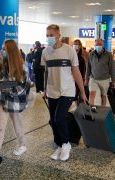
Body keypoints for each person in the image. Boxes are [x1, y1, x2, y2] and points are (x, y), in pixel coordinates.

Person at [42, 24, 87, 161]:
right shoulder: (45, 52)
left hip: (67, 90)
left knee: (59, 118)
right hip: (51, 90)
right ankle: (60, 145)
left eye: (52, 35)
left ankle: (66, 144)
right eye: (47, 35)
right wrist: (44, 89)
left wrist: (83, 92)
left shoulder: (69, 50)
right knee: (53, 120)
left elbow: (76, 72)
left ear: (59, 35)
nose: (49, 37)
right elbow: (46, 72)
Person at [0, 39, 30, 156]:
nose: (2, 51)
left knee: (17, 123)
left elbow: (23, 86)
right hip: (2, 100)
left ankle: (22, 145)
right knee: (0, 127)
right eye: (2, 49)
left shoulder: (21, 66)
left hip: (15, 101)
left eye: (5, 49)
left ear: (11, 50)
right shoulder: (1, 63)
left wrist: (5, 87)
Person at [85, 39, 115, 106]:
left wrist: (113, 81)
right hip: (93, 78)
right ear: (94, 45)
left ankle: (103, 111)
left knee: (103, 96)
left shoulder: (108, 55)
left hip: (104, 79)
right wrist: (86, 79)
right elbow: (88, 68)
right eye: (96, 45)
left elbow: (112, 68)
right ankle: (92, 111)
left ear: (103, 45)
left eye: (100, 45)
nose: (98, 46)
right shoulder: (91, 54)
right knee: (91, 95)